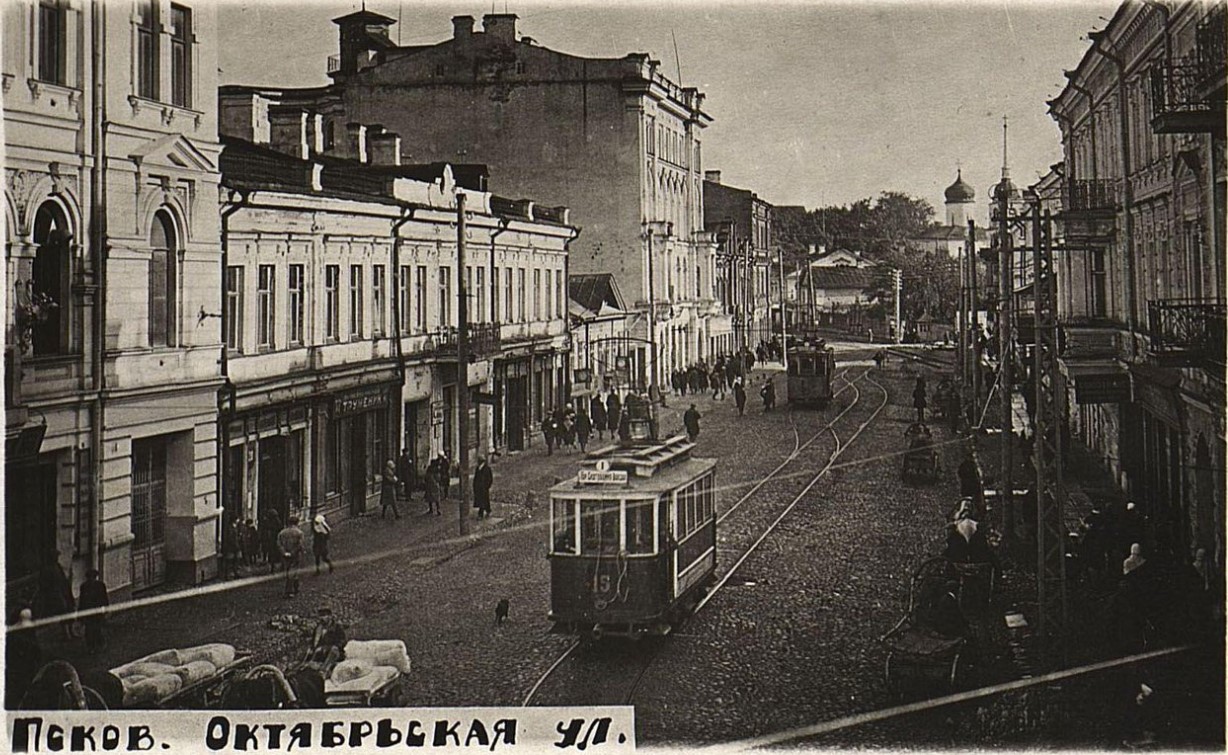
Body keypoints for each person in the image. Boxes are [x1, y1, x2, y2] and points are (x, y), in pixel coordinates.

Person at [37, 553, 75, 640]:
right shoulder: (47, 569)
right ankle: (66, 633)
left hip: (64, 592)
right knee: (63, 611)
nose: (56, 558)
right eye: (55, 557)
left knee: (70, 609)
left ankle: (71, 631)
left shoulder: (58, 566)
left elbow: (63, 580)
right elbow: (44, 584)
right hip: (56, 595)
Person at [77, 570, 109, 654]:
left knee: (97, 629)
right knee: (89, 630)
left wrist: (106, 609)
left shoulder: (100, 585)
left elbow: (104, 598)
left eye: (93, 577)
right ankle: (91, 647)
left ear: (95, 577)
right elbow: (82, 600)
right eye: (89, 577)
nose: (91, 579)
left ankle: (99, 645)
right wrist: (80, 615)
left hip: (97, 611)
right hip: (89, 611)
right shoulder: (84, 587)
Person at [277, 515, 306, 598]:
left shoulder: (282, 533)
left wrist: (284, 552)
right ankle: (289, 591)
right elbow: (300, 545)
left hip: (284, 556)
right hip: (295, 555)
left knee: (288, 571)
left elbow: (279, 544)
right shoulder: (299, 533)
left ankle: (295, 587)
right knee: (293, 572)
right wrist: (293, 552)